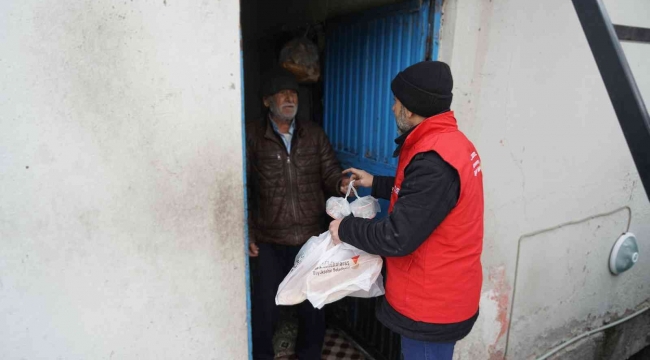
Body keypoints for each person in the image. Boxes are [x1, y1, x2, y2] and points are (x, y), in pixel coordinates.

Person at [328, 61, 484, 360]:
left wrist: (344, 228)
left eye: (396, 102)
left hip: (431, 305)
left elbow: (397, 237)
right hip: (440, 293)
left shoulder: (434, 160)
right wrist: (375, 182)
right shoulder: (450, 144)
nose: (392, 108)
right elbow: (425, 200)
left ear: (410, 109)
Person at [246, 67, 350, 360]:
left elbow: (330, 171)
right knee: (266, 306)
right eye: (282, 94)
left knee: (314, 305)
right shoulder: (252, 135)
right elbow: (243, 187)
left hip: (309, 237)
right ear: (267, 101)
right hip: (269, 238)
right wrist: (248, 231)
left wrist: (341, 183)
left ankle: (309, 355)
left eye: (293, 93)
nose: (290, 98)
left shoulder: (313, 134)